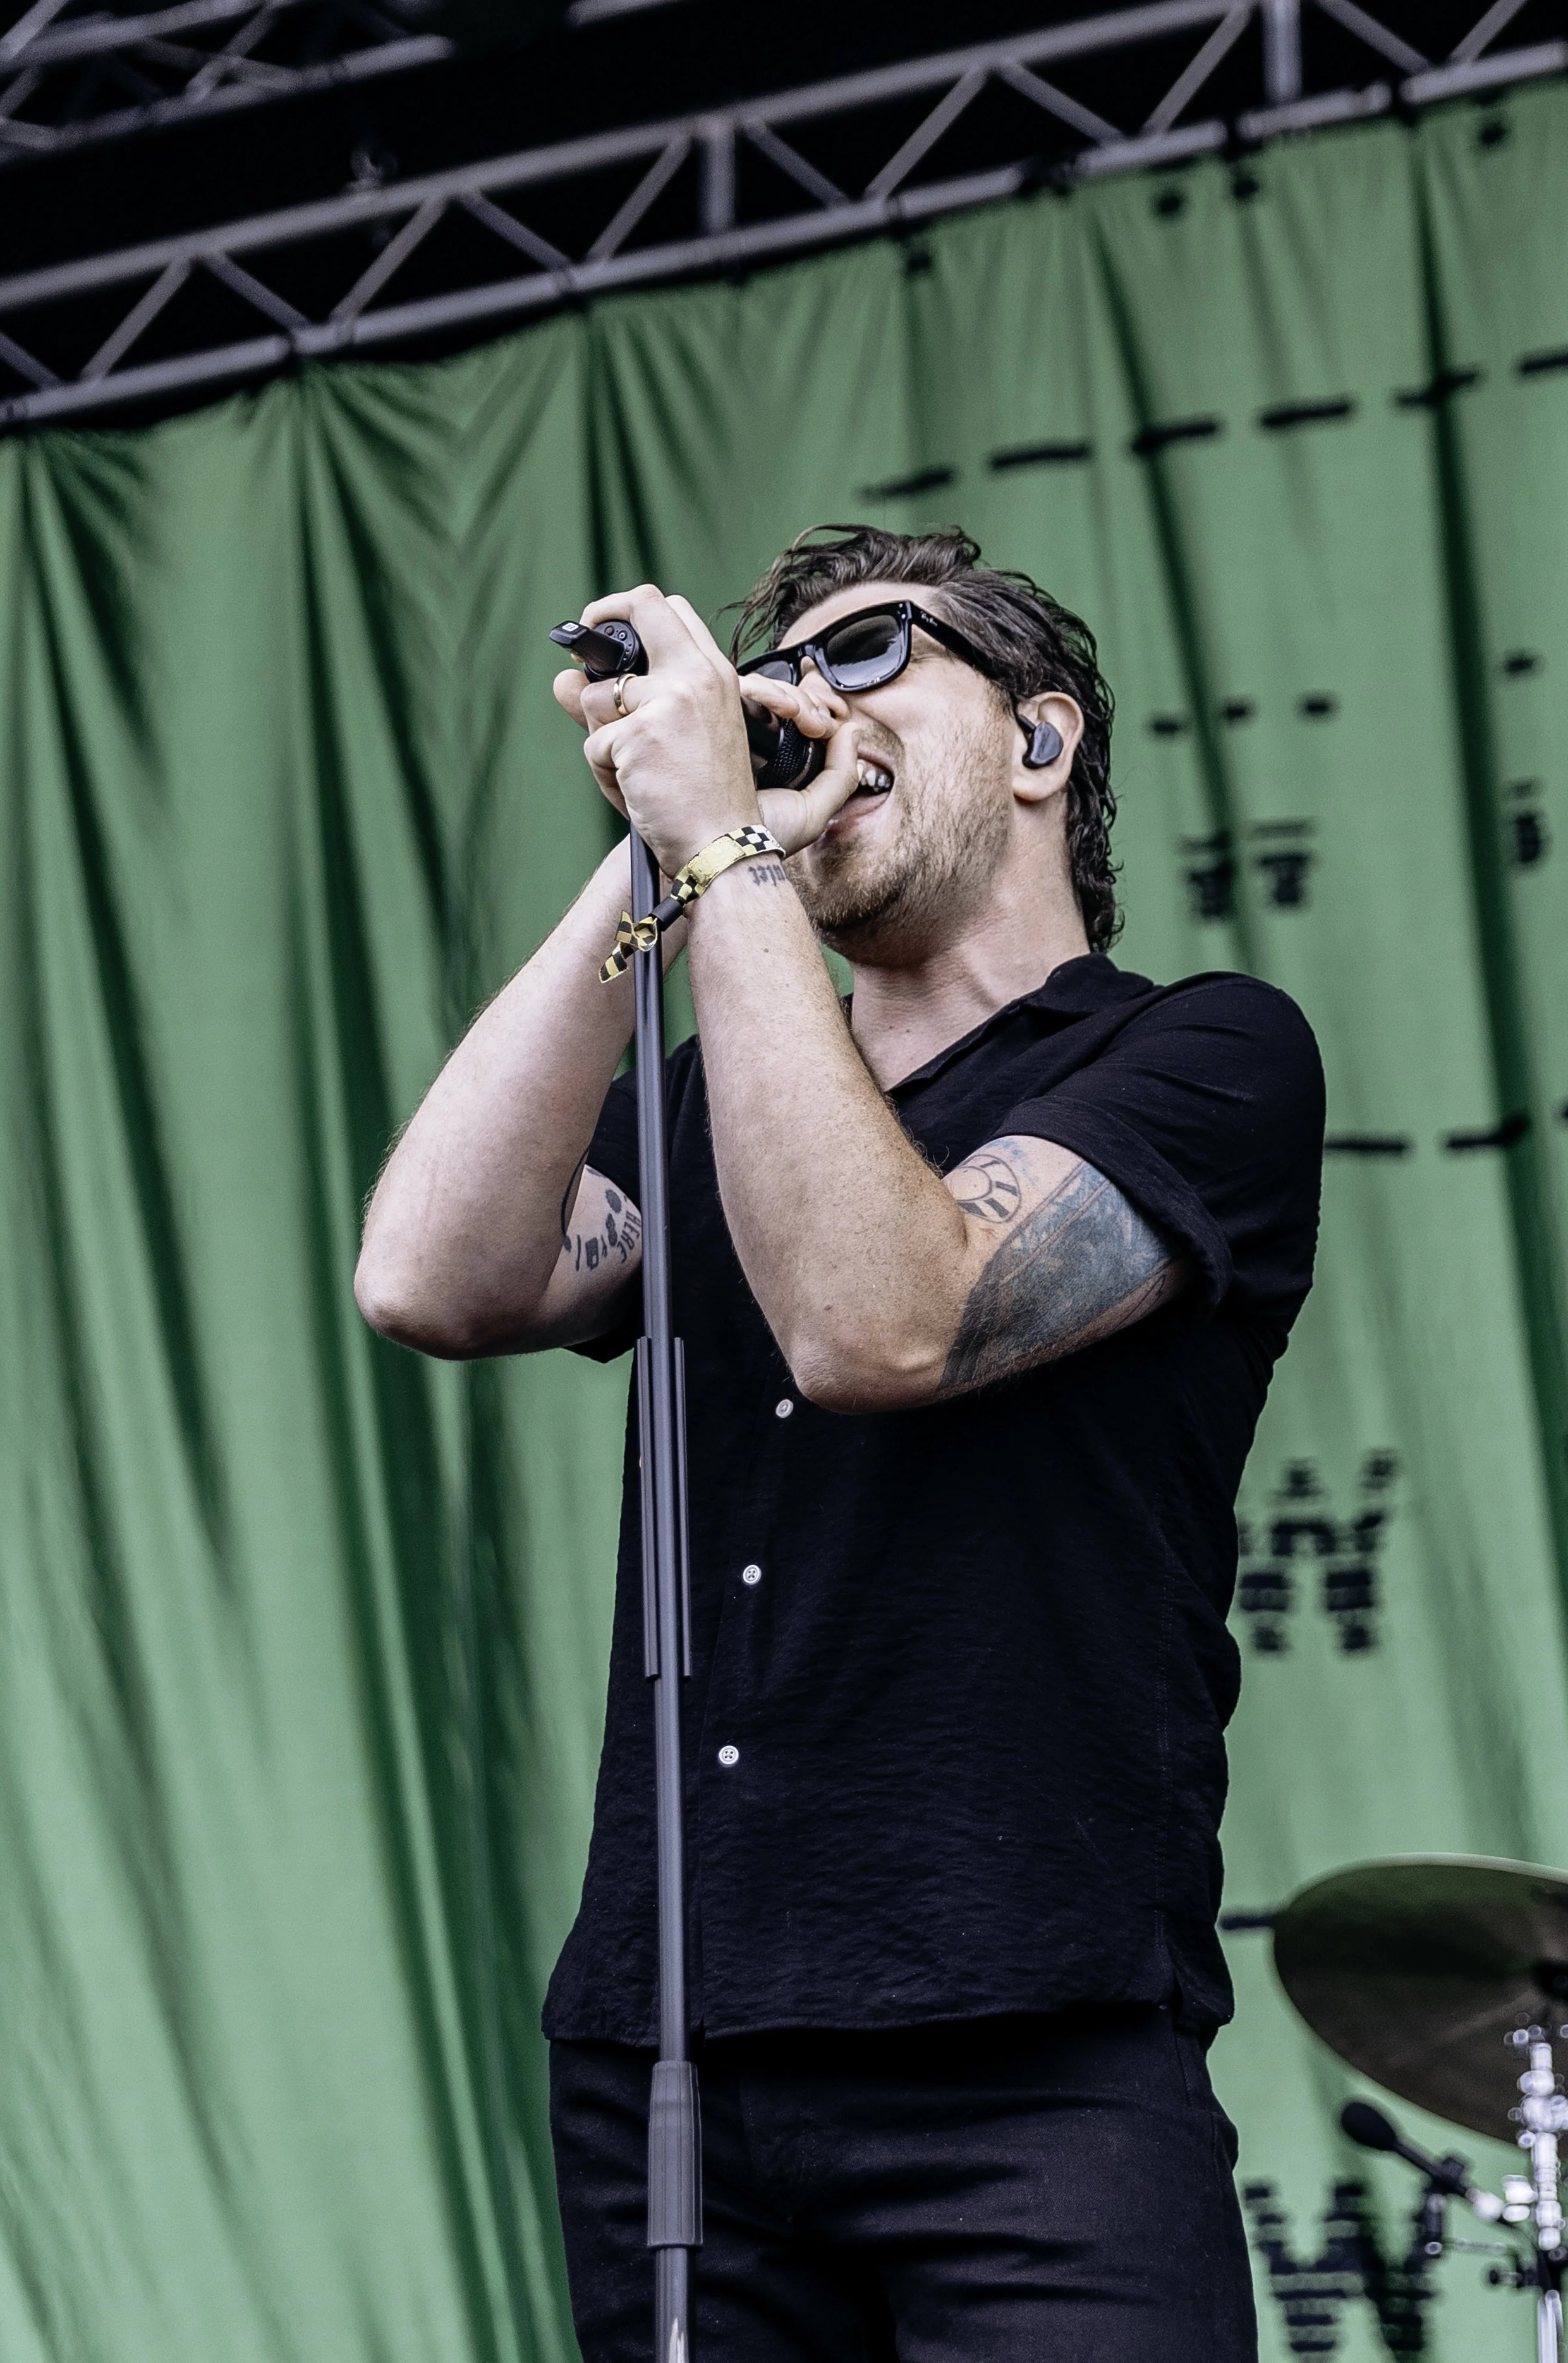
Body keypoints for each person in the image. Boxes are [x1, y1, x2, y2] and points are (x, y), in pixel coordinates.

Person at [355, 524, 1325, 2362]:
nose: (804, 704)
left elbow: (888, 1318)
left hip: (1028, 2057)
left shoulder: (1202, 1056)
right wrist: (658, 844)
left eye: (874, 657)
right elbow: (425, 1276)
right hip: (675, 2060)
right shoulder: (716, 1103)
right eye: (773, 678)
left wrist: (721, 842)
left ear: (1038, 746)